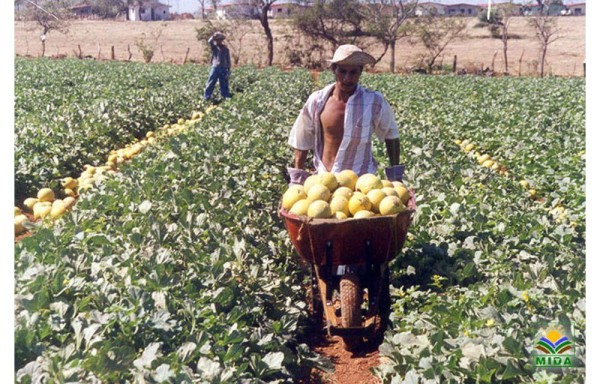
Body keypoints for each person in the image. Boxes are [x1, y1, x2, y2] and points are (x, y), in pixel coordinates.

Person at [287, 44, 404, 184]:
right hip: (325, 179)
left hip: (362, 182)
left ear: (361, 72)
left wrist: (395, 176)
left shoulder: (374, 102)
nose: (347, 78)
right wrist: (297, 179)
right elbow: (302, 137)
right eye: (342, 71)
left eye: (353, 72)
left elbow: (391, 134)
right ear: (334, 70)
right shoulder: (317, 101)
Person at [204, 32, 231, 101]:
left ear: (222, 40)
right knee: (210, 83)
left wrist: (229, 71)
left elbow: (228, 61)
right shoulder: (215, 48)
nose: (218, 41)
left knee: (224, 85)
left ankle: (226, 99)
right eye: (217, 40)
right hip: (215, 67)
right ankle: (206, 98)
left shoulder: (226, 49)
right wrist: (214, 36)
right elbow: (209, 41)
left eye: (220, 39)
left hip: (224, 68)